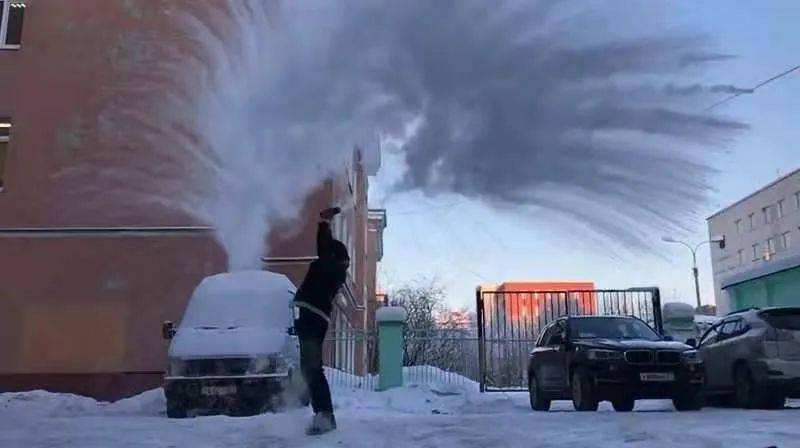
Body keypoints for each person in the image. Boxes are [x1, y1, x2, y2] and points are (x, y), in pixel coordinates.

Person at [293, 207, 350, 436]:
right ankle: (321, 413)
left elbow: (324, 249)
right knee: (310, 367)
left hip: (313, 316)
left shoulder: (330, 266)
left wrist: (325, 224)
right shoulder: (334, 268)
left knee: (312, 368)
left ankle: (325, 416)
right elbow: (325, 250)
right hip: (313, 316)